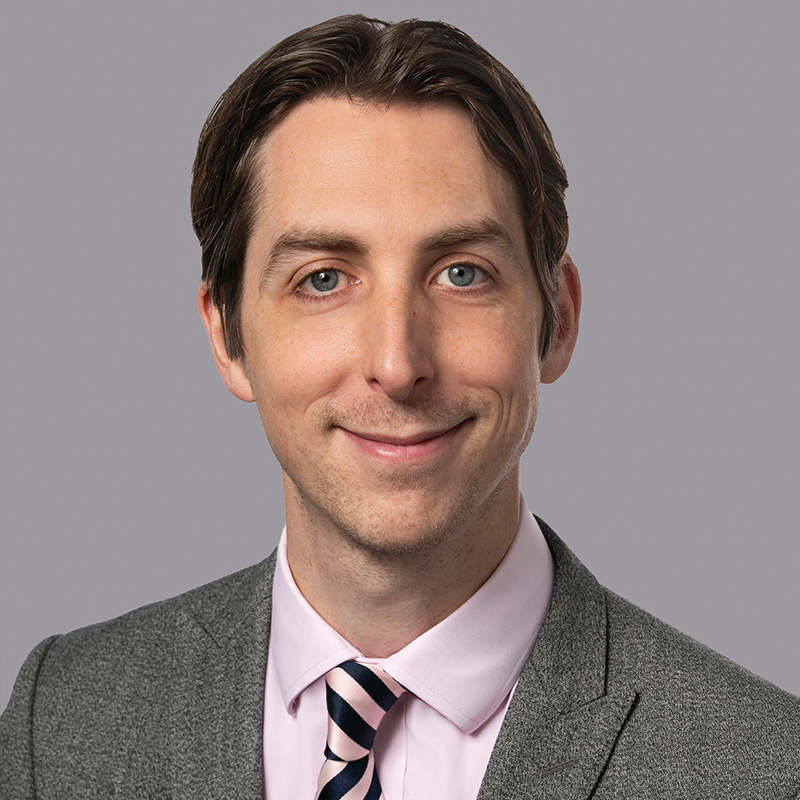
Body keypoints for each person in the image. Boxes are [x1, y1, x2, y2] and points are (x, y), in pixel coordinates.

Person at [1, 14, 798, 799]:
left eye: (461, 273)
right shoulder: (60, 721)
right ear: (227, 335)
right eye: (322, 279)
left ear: (558, 319)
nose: (398, 364)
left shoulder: (765, 768)